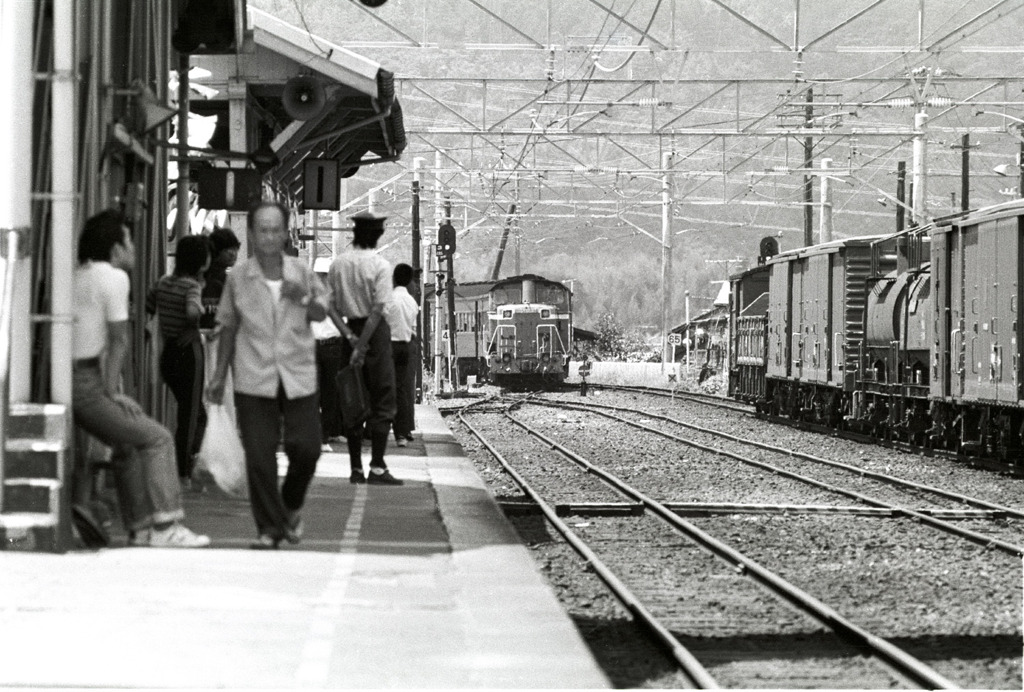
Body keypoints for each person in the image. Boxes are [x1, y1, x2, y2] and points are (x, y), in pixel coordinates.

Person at [72, 209, 210, 548]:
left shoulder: (78, 275)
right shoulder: (116, 279)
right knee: (159, 438)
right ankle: (166, 525)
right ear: (116, 248)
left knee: (127, 446)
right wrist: (111, 394)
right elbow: (119, 339)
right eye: (129, 240)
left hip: (66, 379)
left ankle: (141, 526)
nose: (134, 247)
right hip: (88, 384)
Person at [206, 201, 328, 549]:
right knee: (259, 455)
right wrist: (217, 377)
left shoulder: (302, 272)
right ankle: (269, 529)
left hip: (297, 373)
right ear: (252, 234)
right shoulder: (239, 279)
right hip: (253, 374)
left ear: (286, 234)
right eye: (263, 230)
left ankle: (289, 506)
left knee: (306, 448)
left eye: (276, 230)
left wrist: (302, 298)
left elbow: (322, 312)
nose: (270, 236)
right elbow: (227, 327)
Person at [325, 211, 402, 485]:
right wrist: (364, 343)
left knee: (352, 399)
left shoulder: (338, 264)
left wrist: (350, 338)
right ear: (377, 236)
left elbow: (330, 307)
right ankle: (378, 466)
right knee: (383, 399)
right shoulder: (380, 266)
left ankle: (356, 468)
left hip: (349, 334)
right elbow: (379, 309)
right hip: (375, 336)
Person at [145, 234, 210, 489]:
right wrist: (194, 325)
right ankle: (182, 474)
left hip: (168, 353)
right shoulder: (191, 286)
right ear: (200, 260)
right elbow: (193, 311)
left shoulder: (163, 282)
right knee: (190, 417)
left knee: (193, 414)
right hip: (189, 354)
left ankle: (185, 465)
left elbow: (148, 307)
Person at [383, 263, 418, 447]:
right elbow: (413, 328)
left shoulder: (389, 299)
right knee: (402, 390)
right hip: (406, 346)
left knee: (386, 388)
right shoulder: (412, 302)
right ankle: (403, 432)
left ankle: (382, 430)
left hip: (389, 347)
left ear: (394, 279)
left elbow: (381, 321)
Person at [200, 226, 240, 329]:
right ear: (215, 251)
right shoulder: (202, 278)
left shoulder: (230, 279)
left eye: (235, 249)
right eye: (227, 249)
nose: (233, 254)